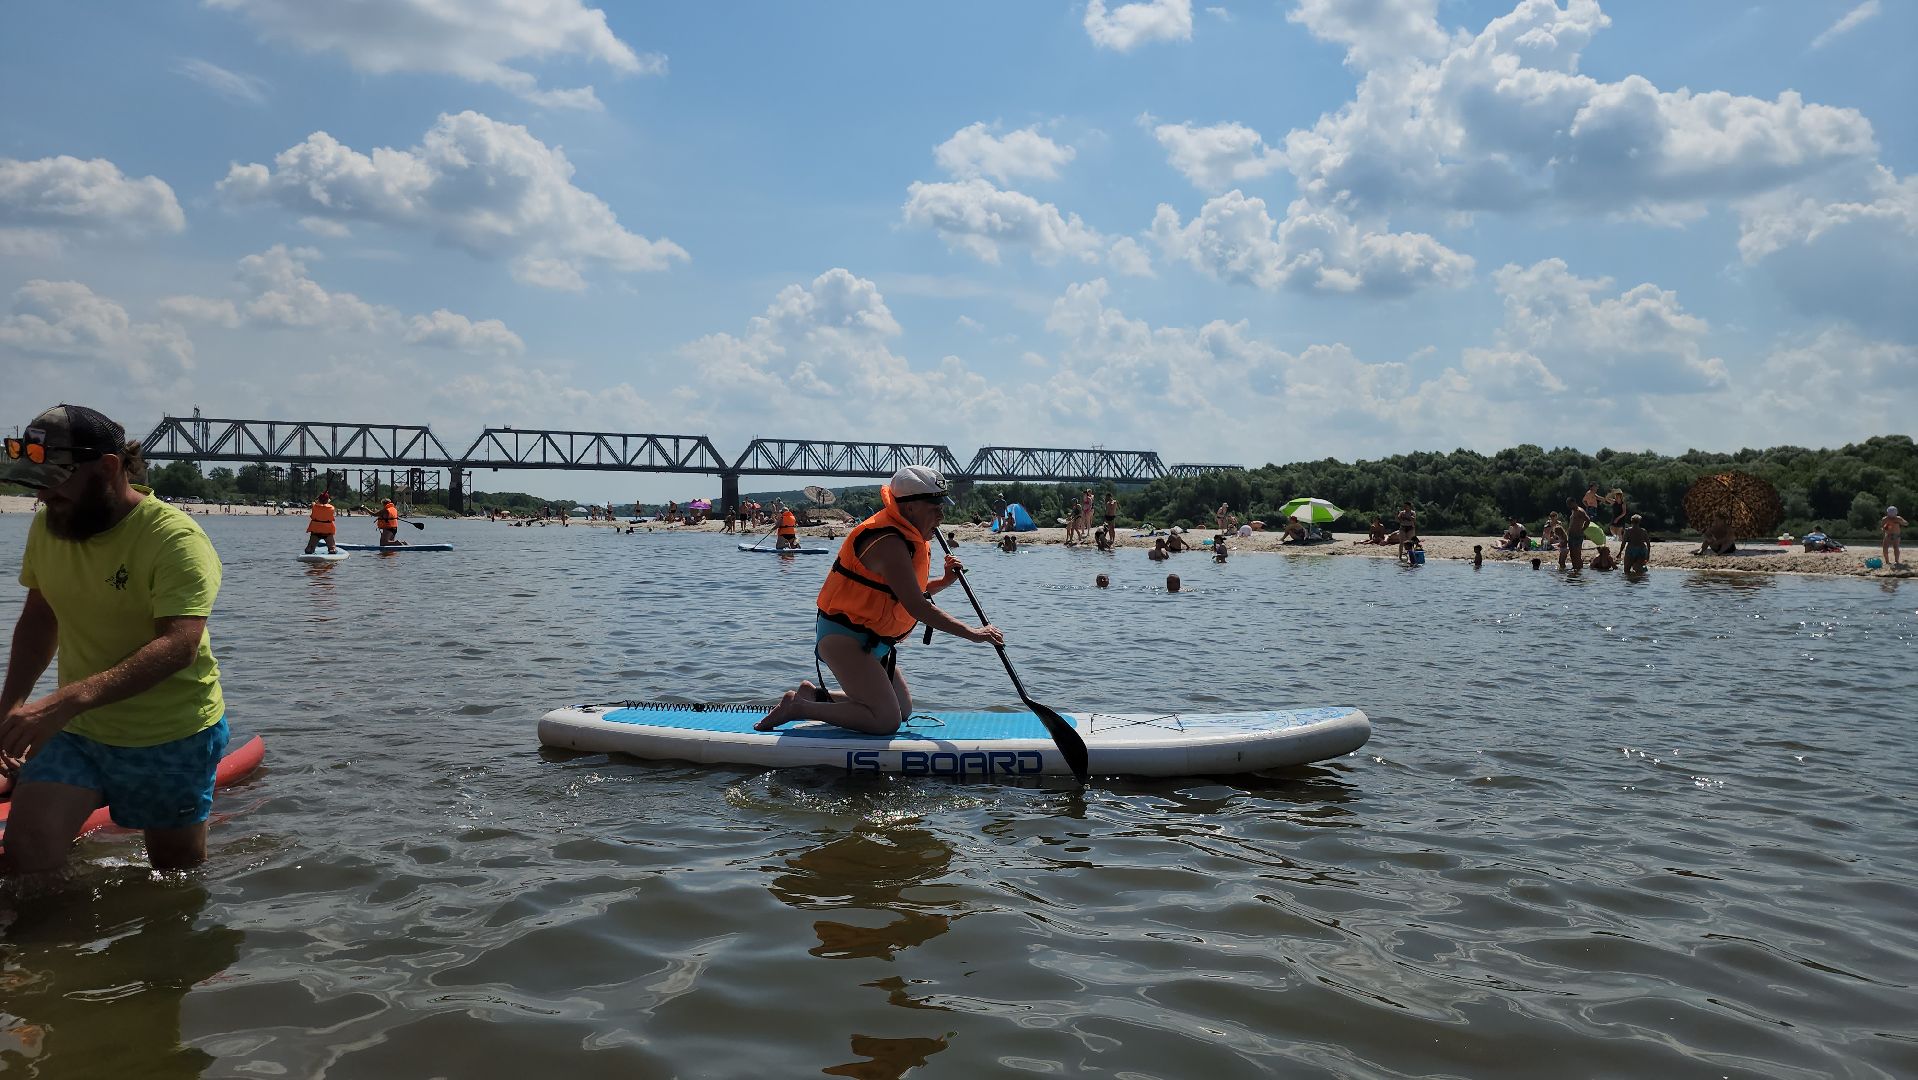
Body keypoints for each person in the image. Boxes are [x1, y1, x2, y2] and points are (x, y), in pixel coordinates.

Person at [1, 405, 230, 875]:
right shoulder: (51, 524)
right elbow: (40, 619)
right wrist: (11, 707)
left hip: (170, 736)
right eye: (37, 484)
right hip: (75, 732)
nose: (42, 496)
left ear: (108, 468)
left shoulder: (175, 539)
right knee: (26, 859)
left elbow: (179, 645)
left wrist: (65, 700)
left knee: (174, 876)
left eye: (55, 482)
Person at [756, 467, 1001, 734]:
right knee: (886, 720)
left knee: (902, 709)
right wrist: (974, 633)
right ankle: (799, 708)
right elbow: (916, 606)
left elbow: (904, 592)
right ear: (909, 508)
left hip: (873, 640)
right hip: (845, 637)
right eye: (935, 507)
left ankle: (814, 696)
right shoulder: (888, 542)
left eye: (942, 506)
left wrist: (943, 581)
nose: (941, 515)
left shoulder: (907, 536)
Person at [302, 491, 339, 555]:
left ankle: (310, 549)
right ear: (327, 500)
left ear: (319, 499)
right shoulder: (332, 508)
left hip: (316, 530)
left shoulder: (314, 506)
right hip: (327, 531)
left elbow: (314, 504)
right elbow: (324, 506)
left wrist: (317, 501)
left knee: (309, 550)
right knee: (332, 549)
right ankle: (332, 549)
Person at [1566, 499, 1589, 571]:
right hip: (1571, 535)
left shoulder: (1580, 511)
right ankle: (1574, 568)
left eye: (1570, 504)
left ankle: (1579, 569)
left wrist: (1582, 529)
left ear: (1574, 502)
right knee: (1572, 553)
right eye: (1568, 504)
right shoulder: (1573, 511)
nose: (1569, 506)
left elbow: (1588, 520)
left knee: (1577, 553)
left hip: (1577, 535)